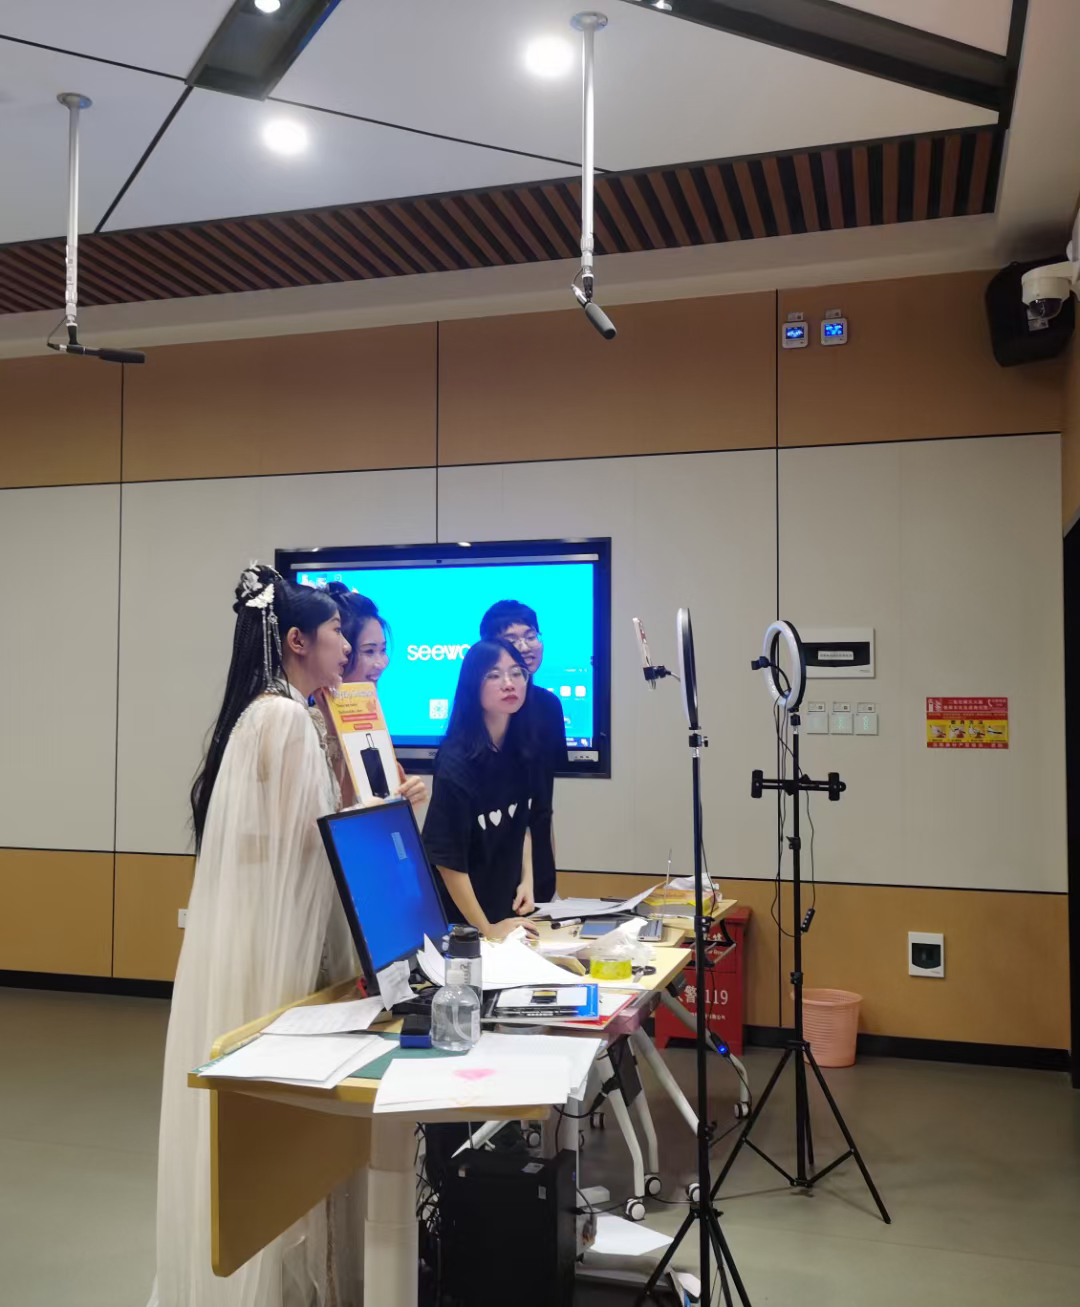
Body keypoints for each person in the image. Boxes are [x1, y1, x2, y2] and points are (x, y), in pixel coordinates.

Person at [148, 564, 363, 1307]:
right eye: (336, 632)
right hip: (283, 940)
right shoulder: (286, 720)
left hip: (256, 934)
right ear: (298, 640)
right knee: (277, 1129)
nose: (347, 646)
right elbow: (302, 849)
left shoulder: (264, 714)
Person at [423, 640, 545, 940]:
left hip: (504, 915)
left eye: (516, 673)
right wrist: (486, 930)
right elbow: (447, 862)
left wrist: (527, 881)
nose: (509, 683)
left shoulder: (523, 749)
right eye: (494, 675)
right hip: (459, 926)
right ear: (472, 686)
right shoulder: (456, 760)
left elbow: (522, 824)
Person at [479, 600, 568, 903]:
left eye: (531, 636)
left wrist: (551, 879)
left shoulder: (549, 706)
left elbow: (543, 804)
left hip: (540, 875)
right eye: (512, 639)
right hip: (494, 871)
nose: (526, 646)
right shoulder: (486, 710)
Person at [324, 582, 426, 807]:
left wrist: (403, 799)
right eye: (369, 651)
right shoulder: (311, 723)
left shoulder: (372, 720)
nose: (382, 663)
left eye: (383, 650)